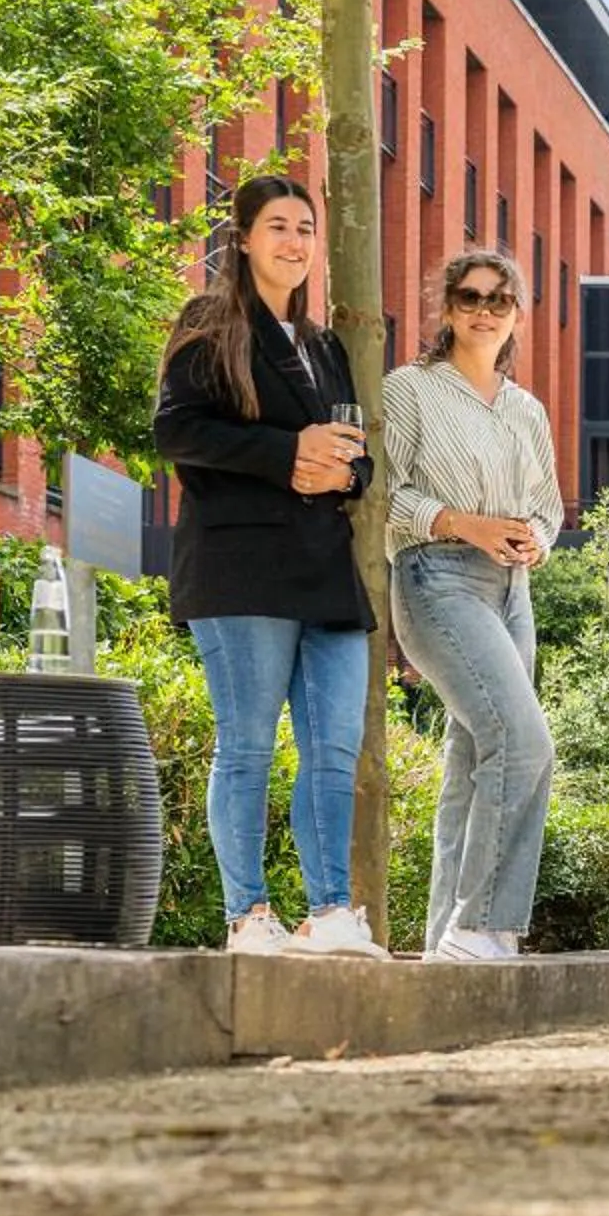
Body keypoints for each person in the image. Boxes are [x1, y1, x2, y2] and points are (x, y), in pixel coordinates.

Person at [152, 174, 385, 958]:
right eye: (278, 226)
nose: (294, 241)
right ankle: (247, 915)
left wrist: (343, 473)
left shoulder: (325, 347)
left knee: (332, 748)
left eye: (306, 228)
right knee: (247, 743)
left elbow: (358, 461)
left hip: (325, 570)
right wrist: (288, 455)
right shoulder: (208, 323)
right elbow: (179, 431)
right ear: (244, 238)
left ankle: (331, 914)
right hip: (239, 564)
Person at [380, 249, 563, 963]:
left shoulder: (526, 409)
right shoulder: (410, 390)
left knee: (474, 762)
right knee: (523, 743)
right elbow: (382, 497)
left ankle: (445, 944)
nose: (484, 310)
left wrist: (536, 541)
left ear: (517, 314)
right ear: (447, 309)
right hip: (438, 578)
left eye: (499, 299)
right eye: (469, 297)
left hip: (513, 592)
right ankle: (485, 923)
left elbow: (546, 506)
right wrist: (464, 523)